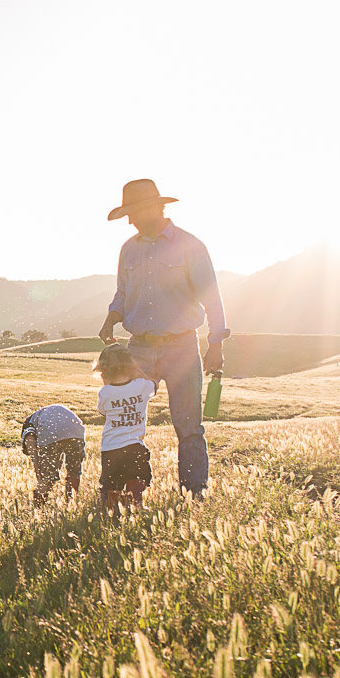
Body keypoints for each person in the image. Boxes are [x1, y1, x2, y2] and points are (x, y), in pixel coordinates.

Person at [95, 178, 229, 497]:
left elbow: (212, 298)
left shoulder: (190, 246)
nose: (130, 220)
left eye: (134, 211)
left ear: (156, 207)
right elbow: (122, 294)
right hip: (138, 348)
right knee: (122, 420)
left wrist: (215, 344)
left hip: (182, 346)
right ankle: (122, 491)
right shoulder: (128, 250)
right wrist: (111, 318)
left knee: (188, 426)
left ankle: (194, 492)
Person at [92, 343, 155, 510]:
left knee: (111, 482)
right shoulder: (142, 386)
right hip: (135, 445)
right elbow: (154, 385)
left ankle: (113, 506)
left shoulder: (105, 392)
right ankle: (137, 503)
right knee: (136, 476)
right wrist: (140, 371)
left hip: (111, 447)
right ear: (131, 367)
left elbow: (103, 411)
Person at [20, 403, 85, 507]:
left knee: (47, 476)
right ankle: (71, 504)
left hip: (50, 430)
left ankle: (39, 508)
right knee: (74, 471)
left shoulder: (28, 424)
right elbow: (63, 441)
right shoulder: (42, 414)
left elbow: (33, 452)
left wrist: (40, 474)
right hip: (76, 430)